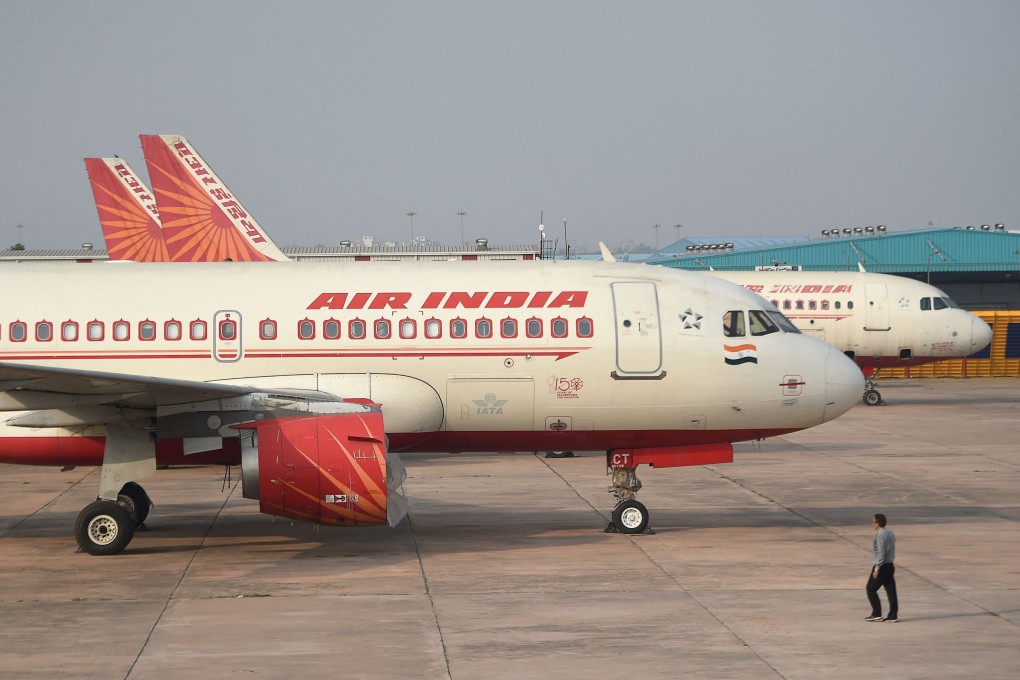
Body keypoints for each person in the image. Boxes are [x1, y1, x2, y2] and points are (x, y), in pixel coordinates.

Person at [865, 513, 898, 622]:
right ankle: (893, 615)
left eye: (873, 522)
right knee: (891, 590)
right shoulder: (890, 533)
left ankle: (877, 613)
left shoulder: (880, 535)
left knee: (870, 589)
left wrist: (876, 569)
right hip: (890, 565)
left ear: (877, 523)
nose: (872, 524)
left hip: (882, 566)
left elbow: (881, 553)